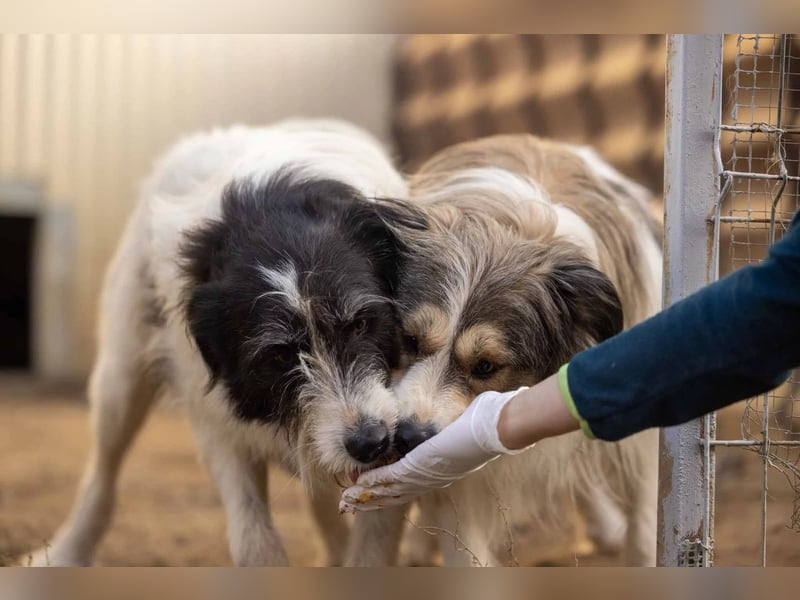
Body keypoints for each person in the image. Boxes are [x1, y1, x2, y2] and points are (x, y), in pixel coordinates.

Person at [339, 209, 800, 513]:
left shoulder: (573, 299)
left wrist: (498, 424)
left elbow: (770, 311)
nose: (418, 412)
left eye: (483, 368)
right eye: (414, 342)